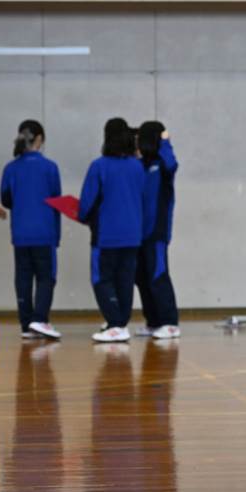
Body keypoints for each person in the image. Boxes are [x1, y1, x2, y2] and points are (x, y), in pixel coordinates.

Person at [79, 118, 145, 343]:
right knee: (125, 280)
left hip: (106, 236)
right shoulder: (138, 166)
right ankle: (119, 323)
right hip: (133, 235)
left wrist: (82, 215)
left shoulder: (99, 166)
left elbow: (87, 203)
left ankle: (115, 323)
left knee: (102, 279)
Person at [0, 120, 62, 340]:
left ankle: (26, 324)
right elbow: (57, 201)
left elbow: (6, 199)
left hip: (21, 234)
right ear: (39, 139)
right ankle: (40, 319)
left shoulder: (11, 168)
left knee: (23, 278)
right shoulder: (50, 168)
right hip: (44, 232)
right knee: (46, 277)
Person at [134, 121, 180, 340]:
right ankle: (153, 321)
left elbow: (172, 163)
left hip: (157, 232)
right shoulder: (139, 165)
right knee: (142, 279)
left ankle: (170, 322)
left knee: (158, 275)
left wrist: (165, 140)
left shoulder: (163, 165)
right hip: (137, 233)